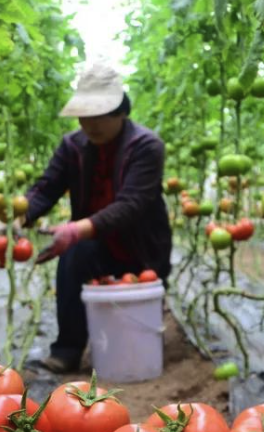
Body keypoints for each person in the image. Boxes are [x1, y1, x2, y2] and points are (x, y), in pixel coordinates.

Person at [21, 63, 172, 374]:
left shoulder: (146, 146)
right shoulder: (72, 146)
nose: (90, 123)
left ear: (120, 111)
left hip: (142, 246)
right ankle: (67, 350)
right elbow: (47, 187)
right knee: (74, 258)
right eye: (84, 114)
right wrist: (20, 212)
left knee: (137, 305)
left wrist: (78, 229)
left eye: (100, 114)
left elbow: (132, 204)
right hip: (96, 245)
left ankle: (139, 350)